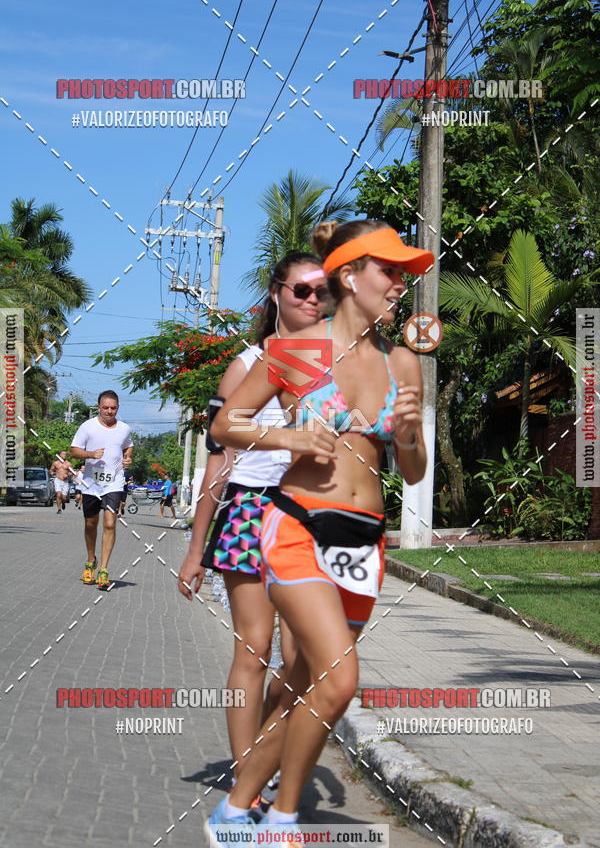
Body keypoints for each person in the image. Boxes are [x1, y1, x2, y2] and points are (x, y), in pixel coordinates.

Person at [206, 220, 432, 842]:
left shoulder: (403, 363)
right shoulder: (297, 349)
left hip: (364, 537)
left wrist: (409, 435)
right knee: (340, 680)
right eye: (390, 271)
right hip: (297, 523)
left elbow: (413, 471)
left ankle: (237, 809)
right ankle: (282, 820)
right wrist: (289, 437)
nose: (401, 285)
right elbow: (226, 424)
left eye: (404, 274)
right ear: (350, 275)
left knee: (308, 684)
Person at [177, 251, 330, 807]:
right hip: (250, 511)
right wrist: (196, 549)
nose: (311, 300)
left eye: (321, 291)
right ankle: (248, 779)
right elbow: (218, 464)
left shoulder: (337, 363)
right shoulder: (247, 364)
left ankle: (266, 754)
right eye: (300, 290)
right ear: (276, 293)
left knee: (305, 659)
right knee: (254, 650)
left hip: (311, 516)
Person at [70, 390, 134, 589]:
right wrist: (91, 454)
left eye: (113, 408)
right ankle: (91, 561)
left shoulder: (124, 428)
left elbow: (128, 446)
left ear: (118, 408)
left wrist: (128, 458)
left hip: (114, 483)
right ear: (98, 407)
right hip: (91, 484)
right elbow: (74, 451)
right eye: (105, 408)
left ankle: (104, 569)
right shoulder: (87, 427)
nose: (109, 411)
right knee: (91, 524)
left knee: (109, 524)